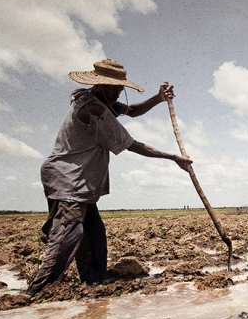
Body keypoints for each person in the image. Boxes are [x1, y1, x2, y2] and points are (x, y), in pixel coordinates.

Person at [26, 59, 192, 298]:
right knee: (68, 235)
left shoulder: (102, 101)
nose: (117, 92)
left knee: (95, 238)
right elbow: (131, 143)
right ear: (99, 85)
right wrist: (173, 157)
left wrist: (158, 98)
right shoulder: (94, 108)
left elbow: (132, 111)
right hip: (68, 180)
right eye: (112, 87)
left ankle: (94, 285)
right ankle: (35, 293)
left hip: (81, 183)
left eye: (119, 88)